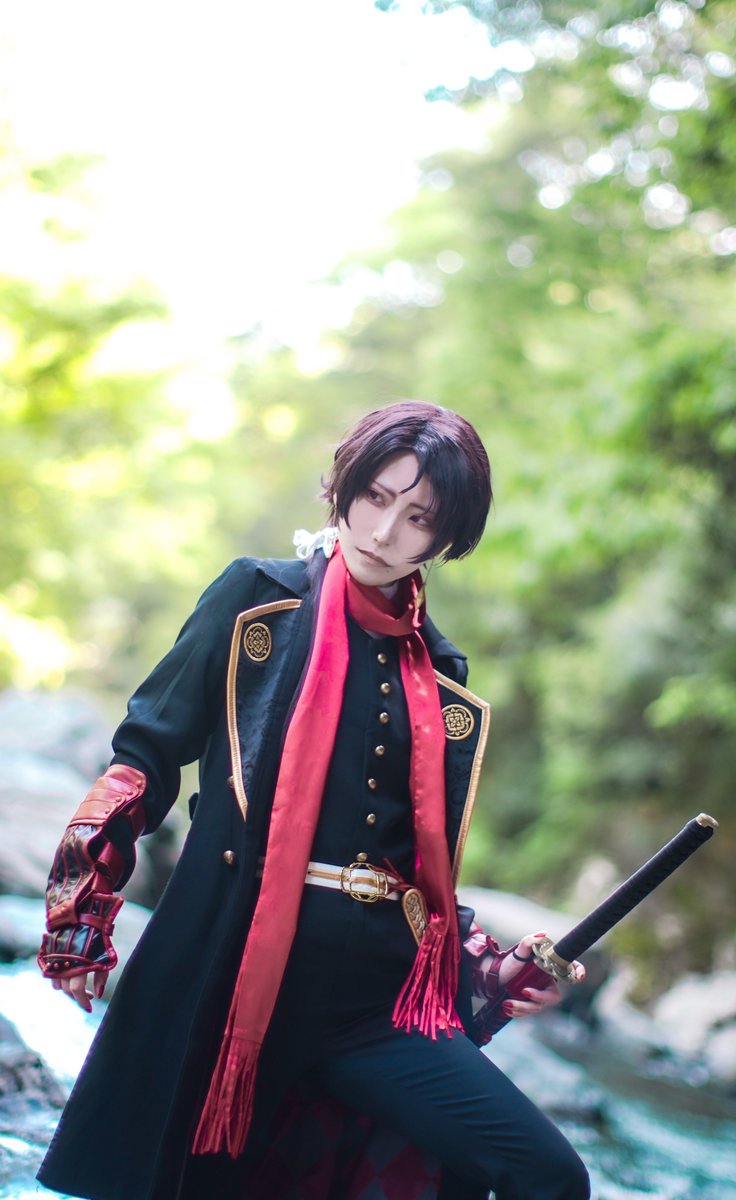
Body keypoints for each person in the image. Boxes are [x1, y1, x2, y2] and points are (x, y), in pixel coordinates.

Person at [37, 401, 591, 1200]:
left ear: (444, 539)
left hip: (370, 1005)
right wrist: (81, 906)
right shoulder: (256, 600)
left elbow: (412, 865)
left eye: (417, 517)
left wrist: (486, 966)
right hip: (227, 975)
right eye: (375, 496)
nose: (383, 531)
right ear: (343, 487)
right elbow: (147, 755)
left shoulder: (439, 676)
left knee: (547, 1174)